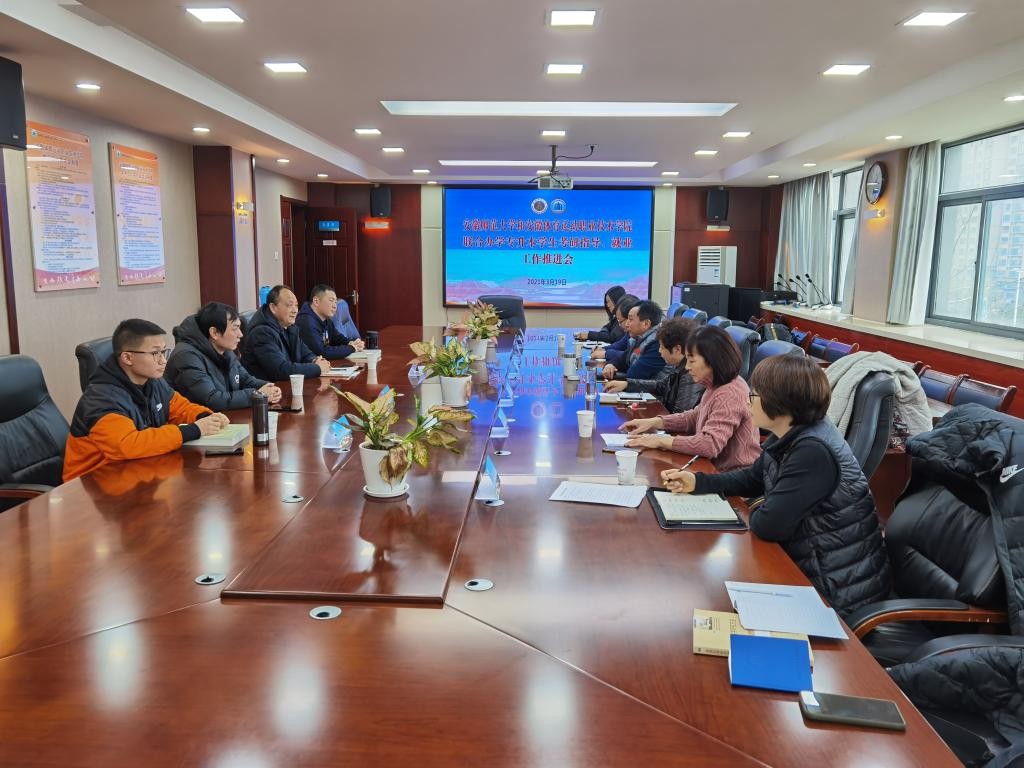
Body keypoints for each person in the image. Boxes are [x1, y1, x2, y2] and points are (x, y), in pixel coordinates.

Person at [660, 354, 891, 618]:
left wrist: (762, 506)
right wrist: (699, 481)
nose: (747, 403)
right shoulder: (789, 435)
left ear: (779, 402)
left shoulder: (812, 452)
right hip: (809, 565)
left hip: (835, 590)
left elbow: (769, 525)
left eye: (753, 396)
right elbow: (752, 478)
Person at [64, 319, 229, 482]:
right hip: (91, 484)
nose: (163, 360)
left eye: (164, 351)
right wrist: (193, 430)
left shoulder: (152, 381)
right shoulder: (101, 399)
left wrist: (205, 416)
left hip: (135, 472)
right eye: (155, 353)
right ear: (127, 357)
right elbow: (128, 444)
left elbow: (180, 407)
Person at [621, 325, 760, 471]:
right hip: (711, 468)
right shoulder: (715, 384)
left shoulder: (730, 393)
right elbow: (694, 416)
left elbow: (709, 445)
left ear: (713, 360)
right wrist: (654, 422)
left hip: (731, 475)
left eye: (692, 361)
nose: (687, 367)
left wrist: (661, 440)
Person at [165, 302, 282, 411]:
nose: (240, 334)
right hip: (197, 421)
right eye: (235, 328)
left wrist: (268, 387)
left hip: (224, 417)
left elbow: (245, 379)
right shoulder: (186, 357)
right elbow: (211, 400)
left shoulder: (224, 349)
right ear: (214, 333)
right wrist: (257, 395)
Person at [602, 318, 704, 413]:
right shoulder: (678, 365)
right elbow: (660, 386)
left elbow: (680, 414)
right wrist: (627, 384)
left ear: (677, 349)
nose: (659, 351)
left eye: (662, 347)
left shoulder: (691, 373)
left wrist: (656, 420)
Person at [241, 284, 331, 380]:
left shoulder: (290, 327)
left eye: (296, 305)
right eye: (290, 305)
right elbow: (281, 370)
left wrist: (315, 360)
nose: (295, 310)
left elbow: (305, 353)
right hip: (267, 387)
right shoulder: (262, 333)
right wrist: (317, 368)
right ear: (273, 308)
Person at [296, 284, 366, 361]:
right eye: (331, 301)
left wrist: (352, 343)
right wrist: (351, 348)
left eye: (335, 302)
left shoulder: (325, 318)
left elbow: (337, 338)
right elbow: (322, 352)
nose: (335, 306)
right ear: (316, 301)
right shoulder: (306, 322)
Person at [600, 300, 667, 380]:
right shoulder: (639, 338)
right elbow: (625, 357)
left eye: (630, 319)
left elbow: (634, 375)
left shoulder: (657, 343)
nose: (627, 324)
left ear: (646, 324)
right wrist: (610, 365)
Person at [590, 294, 639, 368]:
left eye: (620, 321)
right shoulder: (631, 332)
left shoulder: (646, 338)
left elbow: (629, 356)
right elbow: (620, 344)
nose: (619, 325)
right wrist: (603, 349)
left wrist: (605, 353)